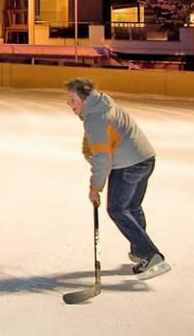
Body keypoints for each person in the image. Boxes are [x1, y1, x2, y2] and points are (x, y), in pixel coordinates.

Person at [65, 78, 170, 280]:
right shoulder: (104, 104)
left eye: (72, 99)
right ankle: (141, 251)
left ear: (85, 99)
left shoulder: (96, 118)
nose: (69, 104)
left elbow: (103, 158)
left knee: (117, 209)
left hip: (128, 166)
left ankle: (150, 254)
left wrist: (95, 188)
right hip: (146, 160)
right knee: (131, 207)